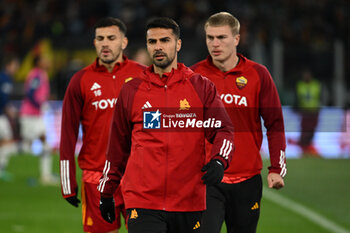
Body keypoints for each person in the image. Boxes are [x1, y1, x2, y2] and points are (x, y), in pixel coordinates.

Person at [98, 17, 235, 233]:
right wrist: (106, 192)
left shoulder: (201, 87)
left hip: (189, 202)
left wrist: (219, 161)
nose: (158, 47)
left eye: (165, 40)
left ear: (178, 44)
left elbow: (223, 130)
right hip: (142, 202)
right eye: (152, 42)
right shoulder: (131, 91)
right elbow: (117, 149)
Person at [191, 12, 287, 233]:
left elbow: (275, 124)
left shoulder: (258, 75)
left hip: (247, 181)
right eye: (210, 37)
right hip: (206, 179)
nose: (215, 44)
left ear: (236, 39)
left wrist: (276, 169)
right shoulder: (193, 76)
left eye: (222, 37)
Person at [59, 17, 146, 233]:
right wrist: (68, 184)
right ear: (94, 43)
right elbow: (68, 133)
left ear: (124, 42)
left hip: (138, 176)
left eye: (111, 38)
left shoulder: (144, 75)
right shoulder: (80, 80)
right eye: (100, 38)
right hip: (96, 177)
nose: (105, 43)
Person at [19, 54, 58, 185]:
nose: (47, 61)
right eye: (44, 59)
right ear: (39, 62)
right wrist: (39, 105)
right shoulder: (36, 75)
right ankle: (46, 176)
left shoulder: (41, 74)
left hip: (35, 116)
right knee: (24, 144)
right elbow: (30, 92)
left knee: (45, 144)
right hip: (30, 116)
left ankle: (46, 176)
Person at [0, 55, 19, 181]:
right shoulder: (5, 79)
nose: (17, 67)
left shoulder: (6, 78)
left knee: (4, 141)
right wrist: (8, 108)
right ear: (9, 65)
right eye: (15, 65)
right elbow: (2, 97)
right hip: (1, 114)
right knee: (6, 140)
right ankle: (1, 169)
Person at [295, 69, 321, 157]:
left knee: (311, 131)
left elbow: (320, 96)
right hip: (305, 112)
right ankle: (304, 150)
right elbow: (297, 98)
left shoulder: (316, 84)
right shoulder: (300, 85)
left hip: (314, 111)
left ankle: (308, 149)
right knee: (304, 131)